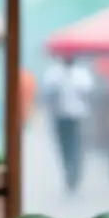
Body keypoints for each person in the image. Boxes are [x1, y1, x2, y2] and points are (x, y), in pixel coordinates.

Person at [42, 55, 95, 193]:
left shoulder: (82, 75)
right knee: (64, 148)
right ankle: (68, 175)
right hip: (61, 117)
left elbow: (89, 95)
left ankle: (75, 175)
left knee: (77, 147)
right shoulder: (54, 74)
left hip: (78, 117)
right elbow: (49, 96)